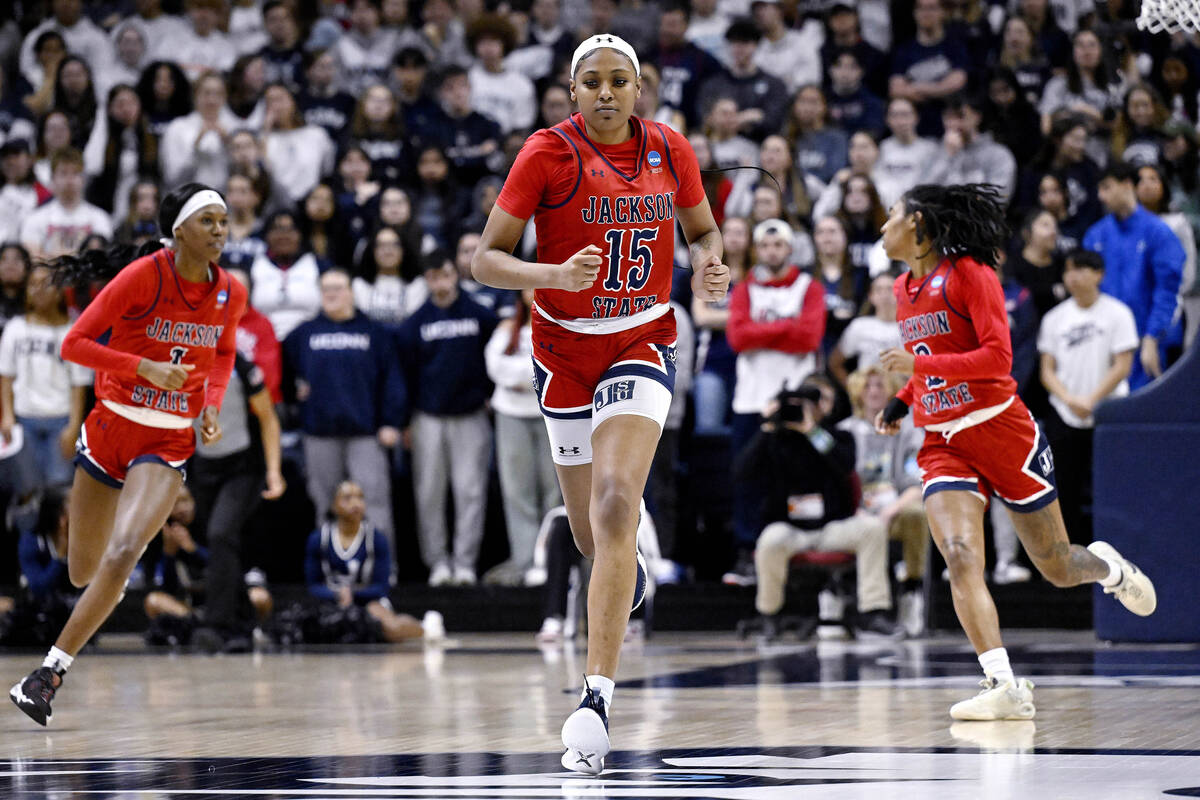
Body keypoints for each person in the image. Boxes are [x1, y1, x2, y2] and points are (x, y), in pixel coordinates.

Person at [471, 34, 728, 774]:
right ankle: (626, 576)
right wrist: (552, 271)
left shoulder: (670, 148)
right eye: (595, 82)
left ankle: (597, 697)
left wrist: (711, 262)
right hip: (561, 352)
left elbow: (703, 227)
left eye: (622, 81)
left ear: (639, 89)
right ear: (573, 90)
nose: (609, 92)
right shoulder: (545, 153)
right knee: (590, 537)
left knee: (619, 504)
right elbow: (485, 259)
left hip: (641, 340)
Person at [875, 182, 1155, 721]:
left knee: (1056, 566)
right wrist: (904, 399)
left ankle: (1111, 570)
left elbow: (996, 360)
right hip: (943, 442)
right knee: (959, 555)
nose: (883, 225)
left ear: (918, 224)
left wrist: (918, 371)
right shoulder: (904, 288)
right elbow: (930, 354)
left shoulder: (970, 275)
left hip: (1001, 431)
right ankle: (1003, 685)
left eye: (892, 215)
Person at [9, 182, 247, 726]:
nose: (219, 231)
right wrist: (142, 367)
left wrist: (210, 402)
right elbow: (75, 344)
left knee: (123, 554)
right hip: (111, 428)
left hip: (167, 439)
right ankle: (103, 593)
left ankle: (46, 675)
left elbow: (225, 349)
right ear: (179, 230)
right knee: (83, 571)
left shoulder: (229, 291)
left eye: (224, 221)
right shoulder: (144, 276)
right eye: (207, 221)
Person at [747, 383, 905, 640]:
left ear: (819, 409)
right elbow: (742, 473)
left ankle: (873, 612)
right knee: (769, 541)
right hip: (790, 529)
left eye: (807, 406)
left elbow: (844, 464)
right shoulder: (774, 440)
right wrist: (766, 426)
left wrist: (812, 431)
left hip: (832, 527)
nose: (799, 412)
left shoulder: (836, 436)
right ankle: (769, 615)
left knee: (872, 529)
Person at [1038, 249, 1137, 546]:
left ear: (1099, 274)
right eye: (1068, 270)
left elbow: (1123, 364)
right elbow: (1047, 369)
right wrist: (1069, 399)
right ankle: (1071, 554)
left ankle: (1116, 548)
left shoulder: (1118, 313)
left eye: (1081, 269)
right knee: (1063, 487)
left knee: (1112, 486)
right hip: (1065, 413)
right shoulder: (1055, 318)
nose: (1073, 276)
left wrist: (1093, 399)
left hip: (1108, 413)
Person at [1082, 162, 1185, 389]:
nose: (1101, 196)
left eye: (1107, 187)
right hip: (1104, 341)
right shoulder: (1095, 234)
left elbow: (1166, 290)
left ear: (1127, 185)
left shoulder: (1158, 231)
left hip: (1145, 340)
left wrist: (1152, 337)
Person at [305, 480, 443, 644]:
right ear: (334, 505)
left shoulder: (376, 538)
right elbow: (313, 586)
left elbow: (381, 587)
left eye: (360, 497)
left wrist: (354, 594)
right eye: (347, 498)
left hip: (368, 601)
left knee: (390, 628)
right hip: (331, 602)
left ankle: (425, 627)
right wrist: (336, 595)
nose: (355, 503)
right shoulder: (319, 538)